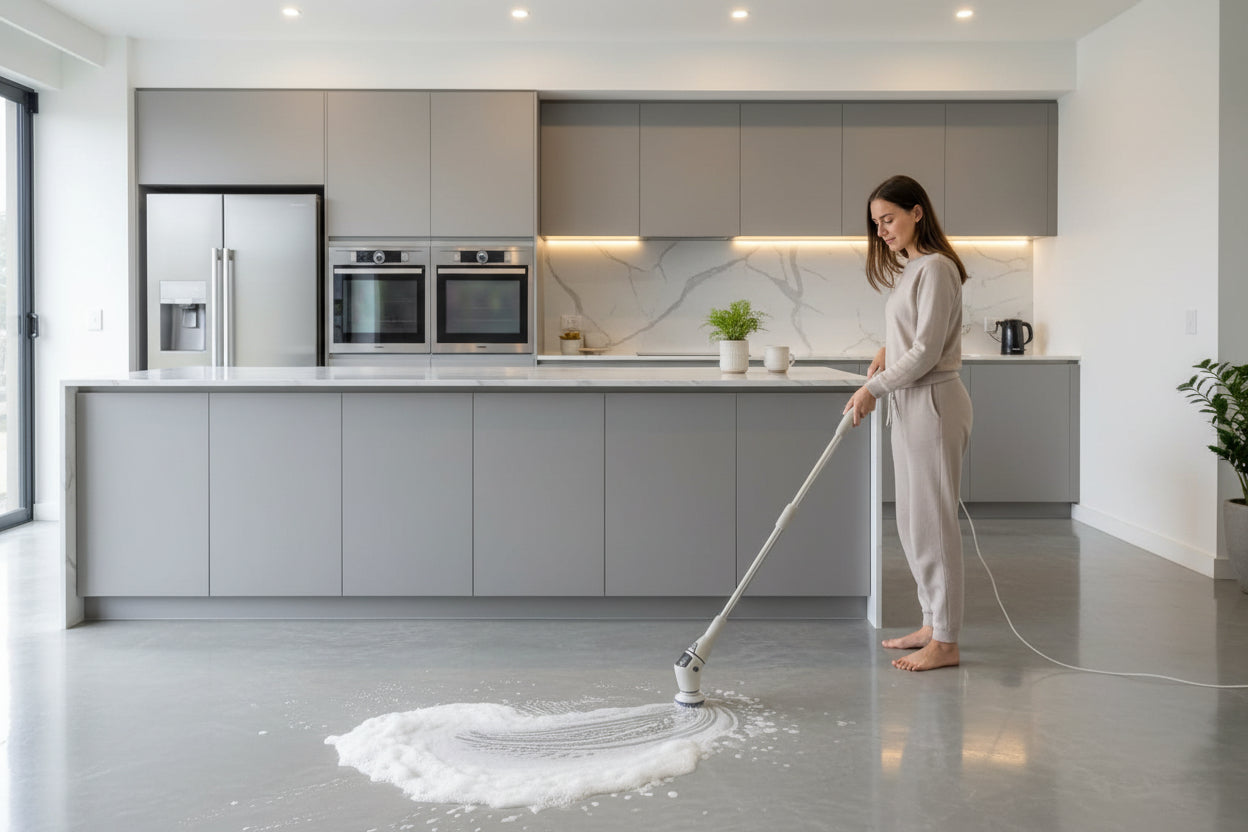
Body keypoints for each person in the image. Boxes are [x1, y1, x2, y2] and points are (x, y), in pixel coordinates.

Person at [844, 174, 973, 672]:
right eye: (876, 224)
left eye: (889, 219)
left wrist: (871, 389)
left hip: (934, 402)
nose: (882, 231)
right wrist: (883, 351)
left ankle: (947, 640)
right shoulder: (913, 269)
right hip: (912, 403)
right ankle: (931, 622)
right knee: (914, 523)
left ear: (917, 212)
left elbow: (925, 350)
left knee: (935, 524)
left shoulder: (936, 267)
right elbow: (913, 336)